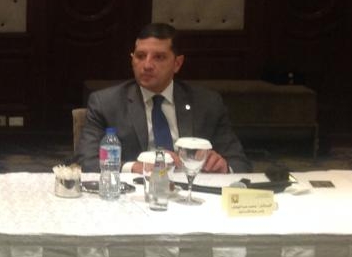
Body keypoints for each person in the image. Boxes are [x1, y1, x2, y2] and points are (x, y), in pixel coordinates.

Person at [76, 22, 251, 174]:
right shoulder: (106, 103)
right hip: (133, 191)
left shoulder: (207, 103)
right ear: (132, 60)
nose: (147, 65)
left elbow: (240, 163)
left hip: (191, 191)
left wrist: (224, 167)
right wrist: (134, 167)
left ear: (177, 63)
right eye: (140, 56)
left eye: (159, 57)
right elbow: (85, 161)